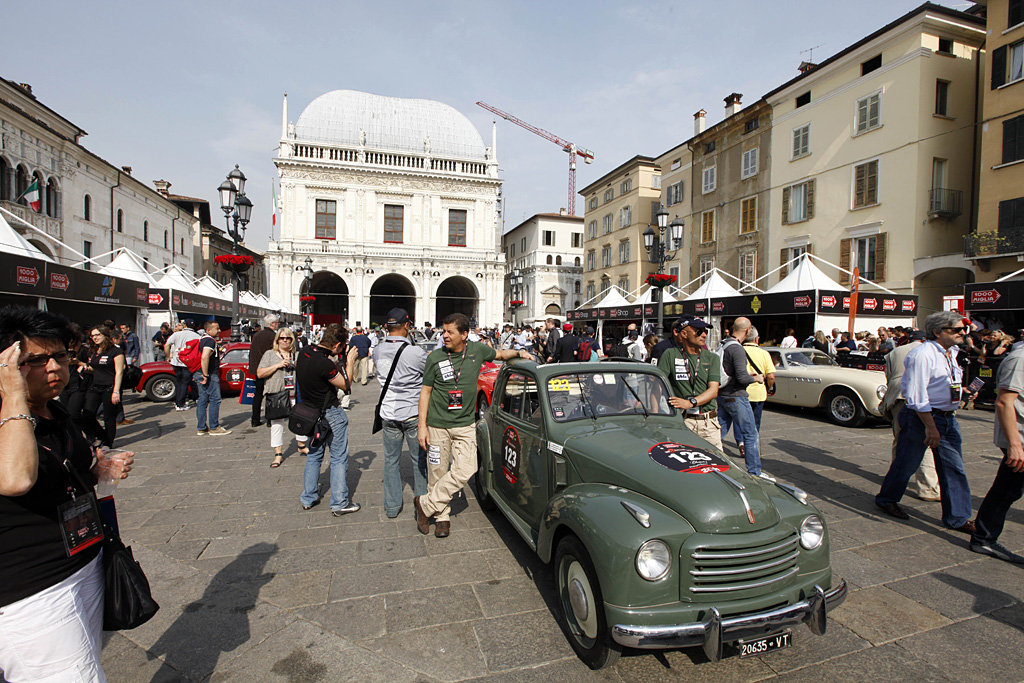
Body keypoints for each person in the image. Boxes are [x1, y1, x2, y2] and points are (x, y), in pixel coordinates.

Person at [0, 306, 132, 683]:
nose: (55, 367)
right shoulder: (8, 416)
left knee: (89, 662)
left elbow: (65, 469)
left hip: (83, 561)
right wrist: (11, 393)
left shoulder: (54, 411)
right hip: (33, 589)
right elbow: (14, 479)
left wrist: (97, 469)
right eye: (35, 360)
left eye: (59, 355)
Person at [414, 313, 533, 538]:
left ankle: (425, 504)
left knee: (466, 468)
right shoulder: (435, 357)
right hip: (437, 425)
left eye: (450, 332)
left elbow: (499, 354)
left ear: (465, 334)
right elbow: (425, 392)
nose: (445, 336)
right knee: (437, 471)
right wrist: (422, 426)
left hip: (465, 425)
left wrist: (519, 352)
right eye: (444, 331)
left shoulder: (477, 351)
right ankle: (442, 517)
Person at [875, 311, 975, 533]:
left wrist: (962, 391)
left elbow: (942, 384)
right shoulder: (923, 354)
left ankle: (957, 518)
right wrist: (931, 427)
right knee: (906, 464)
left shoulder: (952, 352)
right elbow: (917, 396)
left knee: (954, 467)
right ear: (938, 332)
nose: (962, 333)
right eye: (957, 329)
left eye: (963, 329)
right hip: (921, 417)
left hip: (946, 417)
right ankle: (886, 499)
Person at [969, 344, 1024, 563]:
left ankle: (984, 537)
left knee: (1008, 489)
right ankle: (984, 538)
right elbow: (1003, 402)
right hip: (1020, 439)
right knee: (1007, 490)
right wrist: (1014, 444)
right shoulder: (1020, 359)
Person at [297, 324, 359, 516]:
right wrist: (350, 361)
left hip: (310, 412)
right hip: (330, 413)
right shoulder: (323, 363)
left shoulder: (305, 352)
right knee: (339, 457)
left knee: (314, 455)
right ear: (338, 344)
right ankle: (339, 502)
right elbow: (346, 385)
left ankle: (309, 497)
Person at [373, 308, 429, 519]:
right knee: (419, 462)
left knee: (391, 460)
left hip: (388, 413)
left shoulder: (377, 350)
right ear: (407, 326)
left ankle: (392, 506)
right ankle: (422, 506)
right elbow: (429, 374)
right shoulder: (415, 352)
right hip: (413, 413)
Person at [879, 329, 940, 502]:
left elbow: (889, 376)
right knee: (925, 443)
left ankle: (895, 480)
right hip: (920, 398)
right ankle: (928, 488)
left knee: (899, 440)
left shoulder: (895, 352)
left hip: (896, 396)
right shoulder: (929, 352)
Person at [657, 316, 721, 448]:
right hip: (683, 421)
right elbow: (656, 387)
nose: (704, 335)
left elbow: (713, 391)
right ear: (684, 334)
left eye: (705, 331)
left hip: (708, 423)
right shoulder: (670, 355)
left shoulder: (712, 357)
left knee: (717, 464)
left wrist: (690, 402)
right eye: (699, 331)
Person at [717, 317, 769, 478]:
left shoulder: (724, 344)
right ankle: (755, 472)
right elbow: (742, 378)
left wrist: (747, 374)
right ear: (748, 330)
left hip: (723, 394)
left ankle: (711, 462)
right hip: (736, 396)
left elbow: (732, 372)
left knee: (719, 433)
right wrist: (757, 378)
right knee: (750, 434)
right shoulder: (737, 348)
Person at [257, 327, 306, 467]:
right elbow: (260, 373)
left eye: (288, 338)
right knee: (277, 422)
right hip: (277, 392)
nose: (285, 341)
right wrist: (278, 365)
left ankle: (301, 445)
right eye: (282, 338)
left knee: (300, 419)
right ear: (277, 340)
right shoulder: (269, 354)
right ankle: (278, 453)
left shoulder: (296, 354)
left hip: (294, 393)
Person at [80, 325, 125, 449]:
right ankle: (102, 436)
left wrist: (116, 391)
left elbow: (119, 371)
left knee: (109, 418)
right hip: (95, 386)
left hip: (110, 387)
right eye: (93, 336)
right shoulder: (95, 351)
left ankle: (108, 442)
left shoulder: (116, 351)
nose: (95, 338)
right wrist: (82, 366)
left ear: (105, 335)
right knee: (87, 415)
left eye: (98, 335)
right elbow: (94, 368)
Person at [736, 326, 775, 457]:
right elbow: (771, 376)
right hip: (758, 393)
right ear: (757, 339)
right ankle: (752, 445)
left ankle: (741, 443)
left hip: (741, 391)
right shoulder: (764, 354)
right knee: (755, 421)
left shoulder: (738, 350)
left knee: (739, 419)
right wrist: (769, 387)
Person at [196, 321, 230, 437]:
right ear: (209, 330)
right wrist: (206, 375)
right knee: (215, 400)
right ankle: (214, 427)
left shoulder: (201, 339)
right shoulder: (210, 341)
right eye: (217, 328)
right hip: (209, 374)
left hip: (199, 372)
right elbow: (204, 357)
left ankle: (201, 427)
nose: (219, 331)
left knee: (202, 400)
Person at [248, 314, 280, 427]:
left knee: (258, 394)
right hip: (269, 369)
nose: (278, 324)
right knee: (271, 394)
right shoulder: (273, 336)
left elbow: (252, 353)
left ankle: (255, 419)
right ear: (272, 324)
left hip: (257, 369)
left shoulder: (257, 335)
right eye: (277, 323)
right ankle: (270, 419)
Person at [165, 319, 199, 412]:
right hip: (188, 362)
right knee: (185, 383)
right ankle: (180, 403)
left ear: (184, 325)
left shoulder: (176, 334)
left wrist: (168, 356)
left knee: (179, 382)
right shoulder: (197, 336)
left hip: (176, 361)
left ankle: (179, 402)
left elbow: (166, 345)